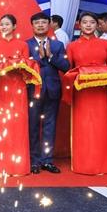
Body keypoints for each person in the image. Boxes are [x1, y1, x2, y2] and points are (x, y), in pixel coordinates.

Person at [65, 12, 107, 175]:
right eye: (85, 22)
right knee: (83, 128)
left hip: (101, 92)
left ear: (97, 25)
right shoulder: (72, 46)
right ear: (79, 24)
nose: (88, 25)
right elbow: (69, 70)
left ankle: (102, 164)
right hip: (82, 93)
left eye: (92, 22)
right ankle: (82, 164)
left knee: (101, 128)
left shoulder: (106, 44)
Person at [0, 14, 41, 177]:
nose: (4, 27)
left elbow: (26, 65)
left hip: (18, 89)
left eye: (7, 24)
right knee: (2, 126)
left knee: (18, 125)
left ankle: (19, 166)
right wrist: (7, 64)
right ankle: (2, 165)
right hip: (1, 89)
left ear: (14, 27)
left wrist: (15, 64)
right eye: (1, 25)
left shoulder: (23, 45)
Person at [26, 12, 70, 174]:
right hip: (33, 90)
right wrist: (39, 57)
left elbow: (66, 66)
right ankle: (34, 160)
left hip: (52, 89)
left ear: (49, 25)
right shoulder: (26, 45)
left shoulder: (57, 45)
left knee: (50, 126)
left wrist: (51, 56)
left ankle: (47, 160)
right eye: (37, 23)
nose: (40, 25)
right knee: (33, 125)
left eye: (44, 22)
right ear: (32, 26)